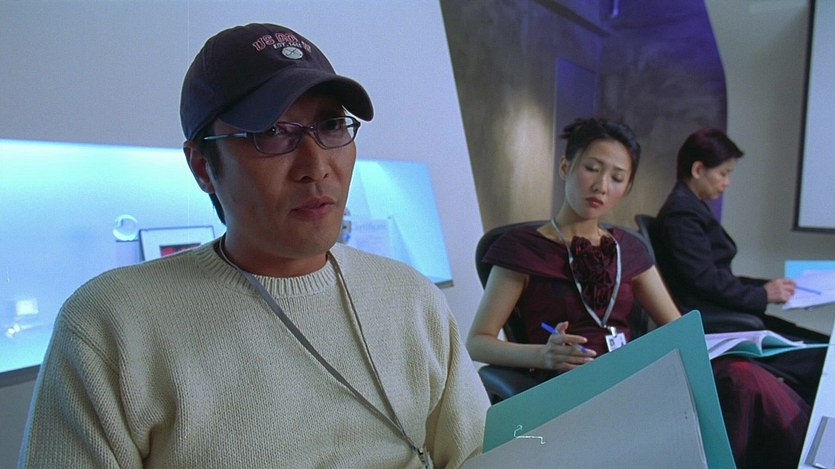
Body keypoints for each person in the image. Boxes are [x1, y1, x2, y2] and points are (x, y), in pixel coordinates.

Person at [19, 23, 488, 468]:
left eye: (330, 125)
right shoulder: (110, 325)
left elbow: (479, 454)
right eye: (273, 132)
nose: (316, 166)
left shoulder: (410, 297)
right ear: (203, 167)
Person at [467, 117, 811, 469]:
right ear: (566, 166)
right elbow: (477, 342)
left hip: (631, 380)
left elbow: (677, 328)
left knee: (742, 378)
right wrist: (543, 355)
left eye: (617, 178)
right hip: (569, 389)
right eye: (592, 168)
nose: (601, 186)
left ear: (627, 186)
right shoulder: (522, 248)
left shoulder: (629, 248)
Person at [651, 127, 825, 404]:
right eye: (723, 173)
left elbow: (712, 276)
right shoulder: (681, 215)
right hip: (720, 322)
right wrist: (762, 294)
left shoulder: (690, 208)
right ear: (698, 169)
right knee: (823, 355)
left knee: (821, 344)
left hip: (727, 314)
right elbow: (705, 281)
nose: (727, 182)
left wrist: (765, 288)